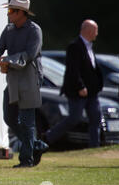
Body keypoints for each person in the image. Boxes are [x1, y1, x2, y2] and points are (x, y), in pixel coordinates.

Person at [0, 0, 49, 168]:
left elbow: (29, 55)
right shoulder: (8, 30)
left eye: (11, 11)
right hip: (14, 80)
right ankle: (36, 145)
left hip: (30, 79)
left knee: (27, 120)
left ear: (21, 13)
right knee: (9, 116)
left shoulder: (34, 30)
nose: (8, 14)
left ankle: (26, 160)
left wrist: (6, 60)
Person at [44, 20, 103, 148]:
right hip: (78, 91)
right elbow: (73, 69)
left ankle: (94, 147)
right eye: (95, 30)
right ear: (88, 30)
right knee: (74, 118)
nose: (97, 34)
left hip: (92, 92)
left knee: (95, 117)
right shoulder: (75, 46)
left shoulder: (90, 47)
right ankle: (48, 137)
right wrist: (80, 86)